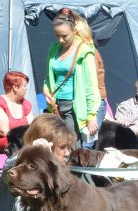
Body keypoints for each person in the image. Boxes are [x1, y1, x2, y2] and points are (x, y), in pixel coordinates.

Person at [42, 8, 100, 148]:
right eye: (57, 36)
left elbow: (91, 85)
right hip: (55, 107)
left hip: (73, 108)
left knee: (71, 147)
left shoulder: (85, 52)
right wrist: (46, 89)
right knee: (55, 146)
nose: (60, 40)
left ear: (74, 31)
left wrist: (91, 115)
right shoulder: (54, 49)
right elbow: (48, 77)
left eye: (64, 36)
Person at [0, 71, 34, 160]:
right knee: (14, 142)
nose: (26, 89)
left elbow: (32, 127)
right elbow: (4, 132)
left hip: (21, 141)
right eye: (24, 86)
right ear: (15, 87)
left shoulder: (26, 104)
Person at [73, 15, 108, 147]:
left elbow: (91, 86)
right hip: (80, 103)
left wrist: (91, 116)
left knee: (87, 144)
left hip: (94, 103)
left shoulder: (90, 53)